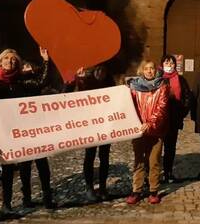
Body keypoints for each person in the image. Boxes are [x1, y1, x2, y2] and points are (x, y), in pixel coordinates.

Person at [0, 47, 50, 221]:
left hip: (13, 133)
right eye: (7, 59)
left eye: (13, 60)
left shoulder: (20, 81)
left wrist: (46, 61)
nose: (10, 62)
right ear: (0, 61)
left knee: (9, 169)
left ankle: (6, 206)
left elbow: (41, 82)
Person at [65, 65, 116, 202]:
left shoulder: (109, 76)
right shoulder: (84, 76)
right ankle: (89, 187)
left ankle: (103, 187)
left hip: (105, 122)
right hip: (90, 123)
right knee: (90, 155)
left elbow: (114, 95)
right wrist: (77, 79)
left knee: (104, 156)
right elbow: (70, 93)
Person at [126, 60, 169, 205]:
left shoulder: (162, 86)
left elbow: (162, 108)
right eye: (146, 69)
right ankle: (136, 190)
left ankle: (153, 191)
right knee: (139, 161)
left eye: (152, 68)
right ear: (142, 70)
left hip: (156, 130)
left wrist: (150, 123)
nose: (149, 71)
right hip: (138, 130)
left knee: (154, 161)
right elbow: (128, 106)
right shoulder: (134, 87)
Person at [15, 60, 56, 210]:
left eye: (29, 66)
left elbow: (43, 82)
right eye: (24, 66)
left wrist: (45, 62)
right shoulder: (19, 82)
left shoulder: (36, 82)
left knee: (42, 164)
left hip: (36, 129)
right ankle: (27, 197)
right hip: (23, 129)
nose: (27, 68)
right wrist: (45, 62)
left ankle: (46, 196)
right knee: (25, 166)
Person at [160, 54, 191, 183]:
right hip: (159, 119)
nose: (169, 66)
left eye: (172, 63)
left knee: (170, 148)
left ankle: (168, 172)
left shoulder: (181, 80)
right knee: (155, 148)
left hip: (173, 119)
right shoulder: (157, 79)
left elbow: (187, 97)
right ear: (162, 65)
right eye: (167, 63)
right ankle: (153, 174)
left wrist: (181, 112)